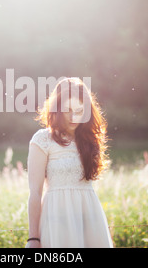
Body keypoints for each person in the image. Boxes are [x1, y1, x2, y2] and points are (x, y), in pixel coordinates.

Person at [25, 77, 113, 248]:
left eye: (80, 111)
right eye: (68, 110)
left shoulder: (90, 140)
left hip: (90, 219)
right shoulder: (42, 139)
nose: (74, 117)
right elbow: (35, 193)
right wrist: (33, 238)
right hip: (57, 221)